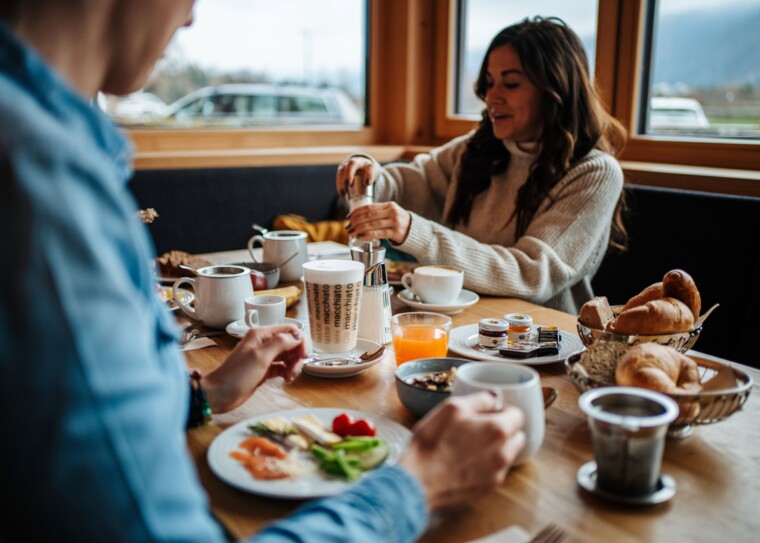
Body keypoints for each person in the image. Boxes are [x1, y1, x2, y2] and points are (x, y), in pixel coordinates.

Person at [0, 1, 526, 542]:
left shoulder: (49, 152)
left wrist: (205, 393)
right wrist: (416, 485)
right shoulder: (41, 178)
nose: (189, 20)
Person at [337, 17, 628, 314]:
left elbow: (531, 274)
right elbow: (412, 183)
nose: (491, 97)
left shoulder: (595, 173)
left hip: (540, 340)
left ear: (556, 90)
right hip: (458, 322)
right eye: (489, 83)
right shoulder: (477, 148)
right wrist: (369, 175)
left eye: (511, 84)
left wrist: (416, 231)